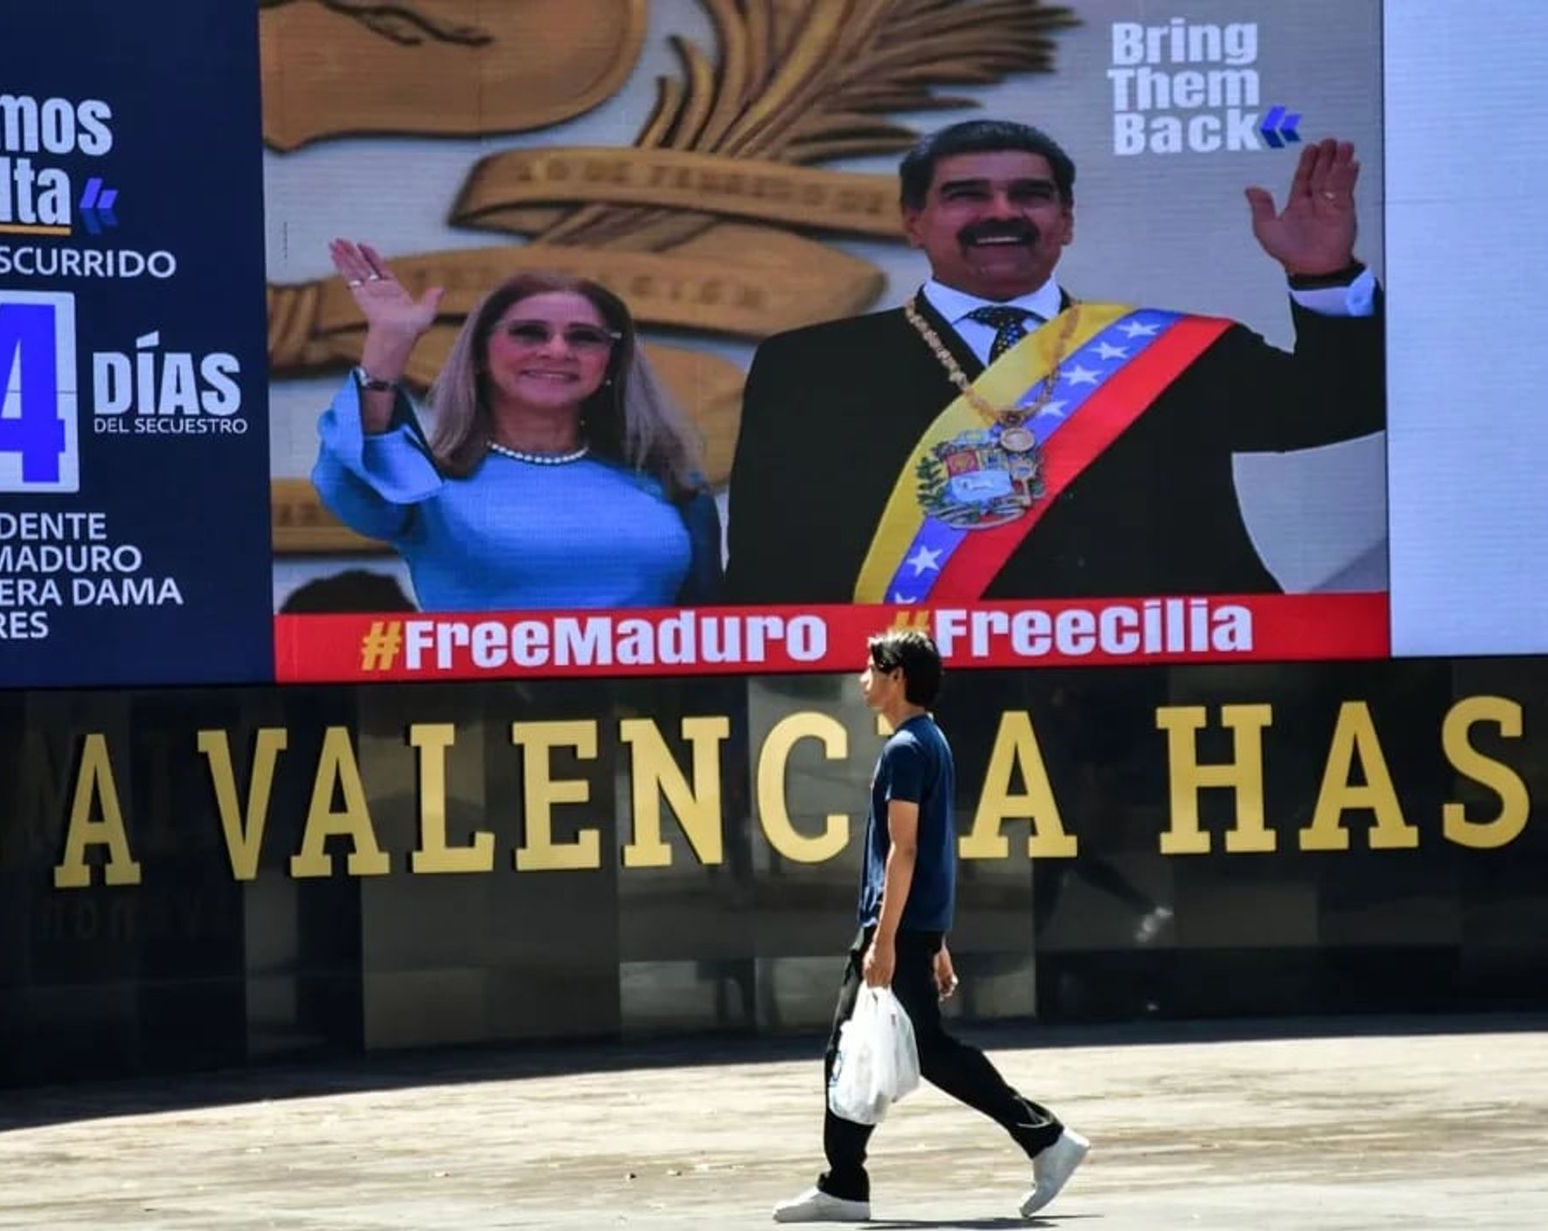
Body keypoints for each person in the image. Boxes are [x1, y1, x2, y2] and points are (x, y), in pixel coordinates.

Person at [725, 120, 1383, 604]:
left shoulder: (1174, 351)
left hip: (1167, 693)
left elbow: (1346, 402)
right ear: (913, 222)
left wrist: (1322, 274)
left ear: (1066, 221)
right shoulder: (810, 367)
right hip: (927, 699)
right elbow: (770, 566)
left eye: (1030, 195)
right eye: (966, 195)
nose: (1002, 212)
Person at [773, 628, 1088, 1224]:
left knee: (873, 1050)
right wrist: (934, 941)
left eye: (871, 668)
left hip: (894, 929)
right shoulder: (929, 741)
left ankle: (1044, 1139)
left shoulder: (906, 749)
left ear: (897, 678)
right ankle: (847, 1182)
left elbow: (907, 849)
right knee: (895, 1049)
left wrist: (885, 940)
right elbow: (934, 850)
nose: (862, 679)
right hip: (912, 929)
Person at [312, 243, 722, 611]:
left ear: (611, 362)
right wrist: (389, 347)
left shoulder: (670, 482)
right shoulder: (424, 484)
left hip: (651, 679)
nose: (557, 350)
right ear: (479, 355)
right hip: (475, 678)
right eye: (529, 333)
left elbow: (712, 634)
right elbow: (354, 482)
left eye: (584, 338)